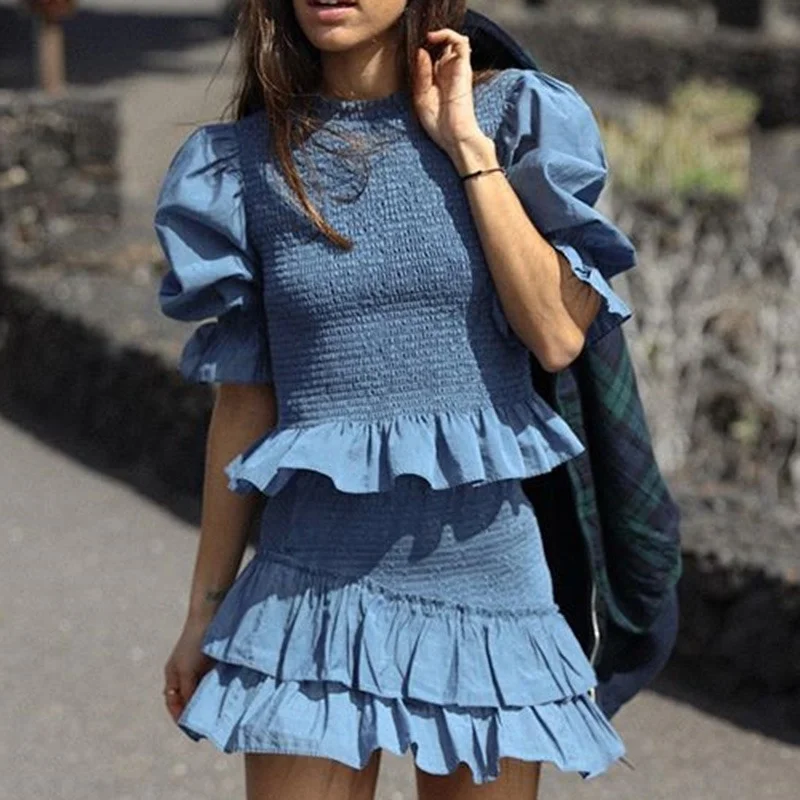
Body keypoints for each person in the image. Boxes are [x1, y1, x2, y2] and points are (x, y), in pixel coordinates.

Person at [155, 2, 641, 797]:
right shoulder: (240, 165)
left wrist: (466, 147)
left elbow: (557, 335)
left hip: (486, 594)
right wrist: (203, 611)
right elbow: (243, 406)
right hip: (307, 592)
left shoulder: (512, 119)